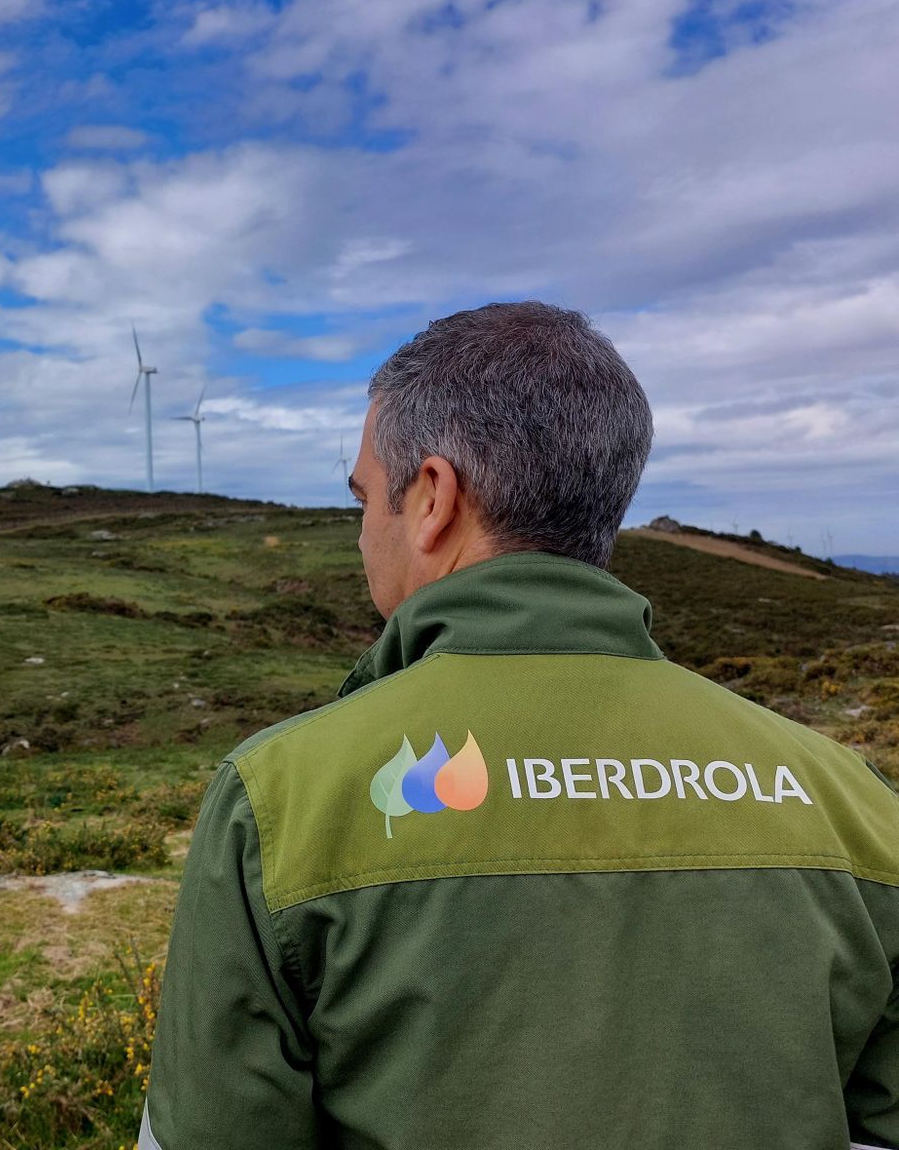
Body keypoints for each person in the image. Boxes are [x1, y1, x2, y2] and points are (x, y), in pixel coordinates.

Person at [140, 301, 899, 1150]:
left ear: (431, 496)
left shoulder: (277, 801)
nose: (360, 536)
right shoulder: (854, 804)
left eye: (363, 498)